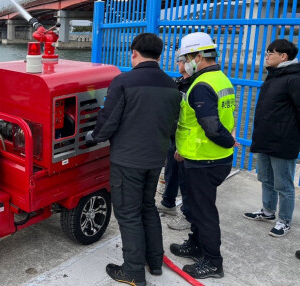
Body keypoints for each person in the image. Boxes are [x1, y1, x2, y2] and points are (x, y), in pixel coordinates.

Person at [85, 33, 180, 286]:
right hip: (154, 159)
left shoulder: (124, 82)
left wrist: (92, 137)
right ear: (160, 56)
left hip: (128, 160)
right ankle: (155, 261)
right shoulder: (172, 86)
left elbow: (109, 119)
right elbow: (172, 127)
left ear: (134, 52)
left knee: (127, 214)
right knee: (147, 207)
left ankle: (133, 270)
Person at [169, 32, 237, 279]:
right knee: (197, 208)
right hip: (209, 156)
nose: (184, 62)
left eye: (185, 57)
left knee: (204, 211)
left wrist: (229, 140)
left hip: (205, 159)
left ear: (198, 56)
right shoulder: (220, 79)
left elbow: (210, 126)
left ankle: (212, 262)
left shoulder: (202, 85)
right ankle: (196, 244)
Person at [243, 39, 300, 237]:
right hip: (266, 137)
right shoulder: (275, 75)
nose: (266, 56)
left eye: (270, 53)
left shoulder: (294, 79)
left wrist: (294, 135)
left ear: (283, 56)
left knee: (284, 184)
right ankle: (268, 211)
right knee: (266, 178)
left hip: (283, 140)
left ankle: (284, 220)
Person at [157, 54, 193, 231]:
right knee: (171, 170)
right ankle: (168, 202)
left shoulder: (195, 86)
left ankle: (188, 215)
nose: (177, 63)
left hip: (185, 138)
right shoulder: (179, 82)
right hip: (173, 134)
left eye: (180, 61)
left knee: (186, 178)